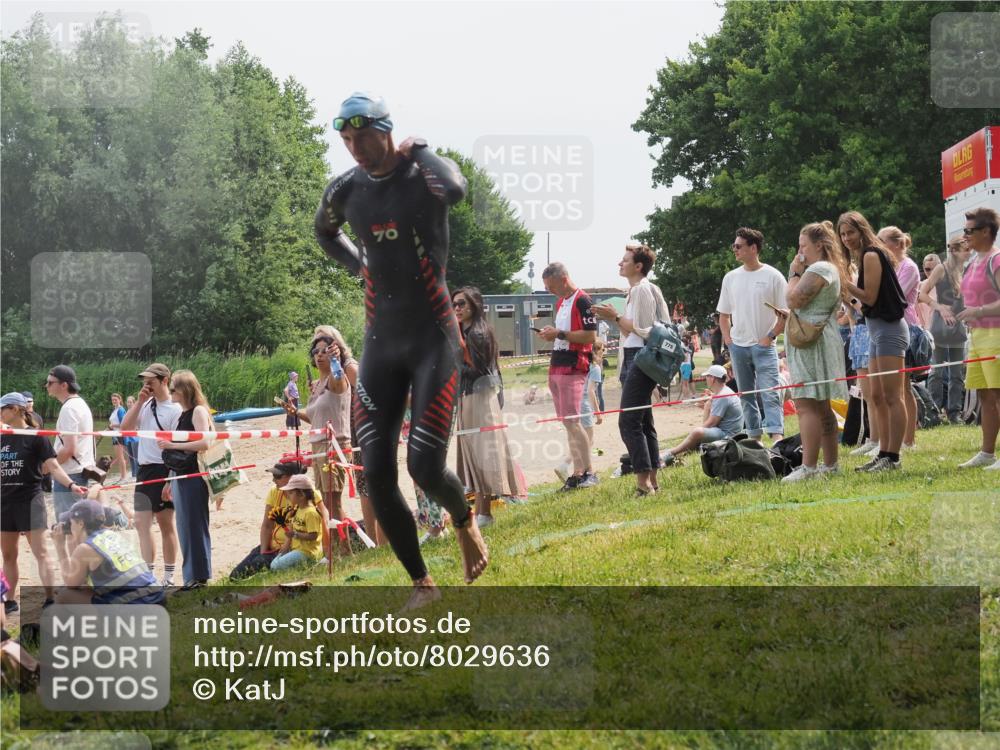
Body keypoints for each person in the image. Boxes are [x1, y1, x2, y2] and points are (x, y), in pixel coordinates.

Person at [314, 91, 485, 604]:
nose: (356, 148)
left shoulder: (422, 175)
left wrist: (423, 149)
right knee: (377, 468)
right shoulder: (346, 188)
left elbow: (455, 189)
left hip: (434, 340)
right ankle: (422, 583)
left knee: (425, 466)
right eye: (346, 140)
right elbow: (323, 231)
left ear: (388, 130)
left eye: (364, 136)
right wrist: (358, 266)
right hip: (380, 346)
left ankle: (463, 519)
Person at [1, 393, 87, 612]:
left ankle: (49, 597)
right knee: (9, 555)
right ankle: (10, 600)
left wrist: (71, 486)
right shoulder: (2, 435)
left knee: (41, 552)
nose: (0, 413)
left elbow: (54, 466)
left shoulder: (37, 436)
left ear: (16, 409)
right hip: (4, 502)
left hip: (30, 500)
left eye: (3, 408)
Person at [592, 246, 665, 496]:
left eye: (624, 261)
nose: (619, 264)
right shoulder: (635, 291)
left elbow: (644, 330)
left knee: (629, 421)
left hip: (641, 359)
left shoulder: (643, 289)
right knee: (644, 421)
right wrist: (612, 318)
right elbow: (628, 331)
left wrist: (614, 317)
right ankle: (652, 480)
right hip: (633, 357)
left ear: (638, 266)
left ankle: (643, 482)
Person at [839, 211, 909, 473]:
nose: (846, 239)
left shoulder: (870, 254)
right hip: (876, 329)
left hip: (889, 329)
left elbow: (869, 297)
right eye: (843, 234)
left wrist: (844, 284)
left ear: (862, 230)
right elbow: (866, 302)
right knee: (878, 395)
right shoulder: (866, 254)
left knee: (893, 396)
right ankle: (883, 453)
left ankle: (893, 457)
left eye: (850, 232)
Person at [781, 222, 850, 482]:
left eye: (803, 246)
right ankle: (830, 464)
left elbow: (794, 299)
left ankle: (809, 467)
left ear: (818, 245)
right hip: (817, 341)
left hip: (812, 345)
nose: (799, 253)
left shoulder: (820, 268)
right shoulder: (828, 268)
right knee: (821, 407)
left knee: (806, 405)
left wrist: (794, 274)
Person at [452, 286, 525, 528]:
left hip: (480, 397)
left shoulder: (478, 333)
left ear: (474, 305)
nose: (457, 309)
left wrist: (451, 368)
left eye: (462, 303)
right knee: (475, 454)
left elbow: (480, 371)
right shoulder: (467, 331)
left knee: (483, 453)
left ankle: (484, 513)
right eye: (454, 305)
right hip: (469, 397)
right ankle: (481, 511)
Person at [284, 327, 355, 556]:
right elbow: (316, 417)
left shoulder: (337, 378)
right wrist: (295, 412)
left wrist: (336, 360)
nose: (319, 354)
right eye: (316, 351)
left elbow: (337, 377)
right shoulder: (317, 385)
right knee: (325, 499)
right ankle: (336, 549)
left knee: (333, 501)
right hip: (318, 444)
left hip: (334, 445)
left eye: (325, 350)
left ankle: (343, 550)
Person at [716, 228, 788, 442]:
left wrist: (771, 337)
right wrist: (729, 342)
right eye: (734, 246)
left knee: (770, 393)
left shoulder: (773, 276)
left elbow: (786, 314)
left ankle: (777, 438)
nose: (734, 250)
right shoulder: (730, 278)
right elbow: (723, 315)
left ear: (753, 248)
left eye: (738, 246)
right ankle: (754, 438)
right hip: (738, 347)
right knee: (746, 396)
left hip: (765, 347)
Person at [120, 363, 181, 586]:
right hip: (144, 471)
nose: (147, 386)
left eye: (151, 382)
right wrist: (139, 402)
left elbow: (179, 447)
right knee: (141, 524)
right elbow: (125, 430)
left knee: (166, 524)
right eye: (144, 382)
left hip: (164, 468)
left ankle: (169, 575)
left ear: (164, 380)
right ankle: (148, 574)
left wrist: (171, 478)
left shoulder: (175, 409)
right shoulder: (145, 405)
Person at [540, 262, 599, 491]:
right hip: (557, 363)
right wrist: (553, 334)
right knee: (567, 423)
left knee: (573, 421)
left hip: (575, 365)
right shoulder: (561, 301)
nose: (549, 291)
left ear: (563, 279)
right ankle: (577, 472)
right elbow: (564, 333)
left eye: (551, 286)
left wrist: (560, 333)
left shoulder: (583, 300)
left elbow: (590, 336)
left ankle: (590, 472)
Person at [154, 370, 214, 588]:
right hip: (181, 475)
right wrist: (169, 480)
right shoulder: (183, 414)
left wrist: (172, 445)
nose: (171, 393)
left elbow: (204, 443)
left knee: (194, 525)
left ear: (185, 390)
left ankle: (199, 577)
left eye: (174, 389)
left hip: (194, 476)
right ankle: (191, 576)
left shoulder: (198, 411)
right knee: (184, 527)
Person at [50, 499, 164, 605]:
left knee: (64, 595)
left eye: (71, 522)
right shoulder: (112, 535)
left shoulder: (85, 548)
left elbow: (70, 584)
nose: (70, 526)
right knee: (86, 589)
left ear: (80, 523)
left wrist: (60, 547)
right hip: (156, 597)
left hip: (137, 605)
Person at [956, 207, 1000, 471]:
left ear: (986, 231)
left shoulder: (996, 260)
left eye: (970, 231)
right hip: (977, 336)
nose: (965, 236)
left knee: (998, 393)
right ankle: (987, 452)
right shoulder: (973, 261)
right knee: (984, 395)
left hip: (996, 335)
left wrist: (979, 311)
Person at [878, 226, 922, 450]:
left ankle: (909, 438)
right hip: (889, 328)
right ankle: (896, 437)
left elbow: (897, 296)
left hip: (906, 327)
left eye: (882, 240)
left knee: (904, 387)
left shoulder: (909, 267)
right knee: (895, 388)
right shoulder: (888, 266)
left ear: (896, 244)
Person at [921, 236, 971, 424]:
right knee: (937, 371)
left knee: (957, 373)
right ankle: (933, 411)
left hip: (958, 325)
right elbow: (922, 294)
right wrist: (940, 307)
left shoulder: (965, 270)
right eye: (967, 250)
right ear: (956, 250)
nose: (970, 253)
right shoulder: (941, 268)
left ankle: (954, 413)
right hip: (940, 325)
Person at [660, 365, 744, 465]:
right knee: (696, 436)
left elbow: (712, 423)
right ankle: (673, 454)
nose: (705, 379)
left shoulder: (722, 396)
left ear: (713, 378)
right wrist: (707, 406)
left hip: (728, 435)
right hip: (728, 431)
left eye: (707, 376)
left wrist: (705, 411)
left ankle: (669, 453)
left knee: (697, 432)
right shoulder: (722, 392)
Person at [46, 365, 95, 520]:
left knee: (67, 525)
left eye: (50, 382)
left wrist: (47, 467)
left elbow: (69, 449)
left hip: (70, 474)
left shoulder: (69, 409)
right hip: (80, 470)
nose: (46, 386)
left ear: (64, 385)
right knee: (78, 524)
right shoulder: (79, 404)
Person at [270, 474, 325, 571]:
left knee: (275, 566)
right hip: (298, 550)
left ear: (302, 495)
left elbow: (313, 536)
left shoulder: (310, 513)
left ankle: (309, 562)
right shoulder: (297, 509)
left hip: (308, 552)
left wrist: (295, 534)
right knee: (274, 564)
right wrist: (285, 546)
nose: (288, 495)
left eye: (291, 493)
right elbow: (291, 530)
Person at [579, 339, 605, 447]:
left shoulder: (582, 363)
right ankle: (572, 462)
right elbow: (590, 391)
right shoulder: (595, 368)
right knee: (588, 440)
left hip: (575, 401)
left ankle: (570, 461)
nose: (604, 352)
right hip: (584, 404)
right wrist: (598, 413)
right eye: (603, 349)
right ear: (597, 350)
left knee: (580, 438)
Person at [107, 393, 130, 481]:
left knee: (121, 457)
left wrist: (113, 426)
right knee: (119, 456)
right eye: (112, 400)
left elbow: (123, 424)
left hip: (119, 435)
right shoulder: (114, 410)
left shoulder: (121, 410)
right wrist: (110, 427)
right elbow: (113, 424)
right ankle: (122, 476)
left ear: (120, 400)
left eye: (115, 400)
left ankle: (123, 477)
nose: (114, 401)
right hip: (114, 435)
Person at [123, 395, 139, 476]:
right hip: (128, 438)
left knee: (135, 458)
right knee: (130, 458)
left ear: (134, 403)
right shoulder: (126, 412)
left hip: (135, 438)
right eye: (127, 402)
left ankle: (137, 475)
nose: (128, 404)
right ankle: (133, 475)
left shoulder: (135, 412)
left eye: (130, 402)